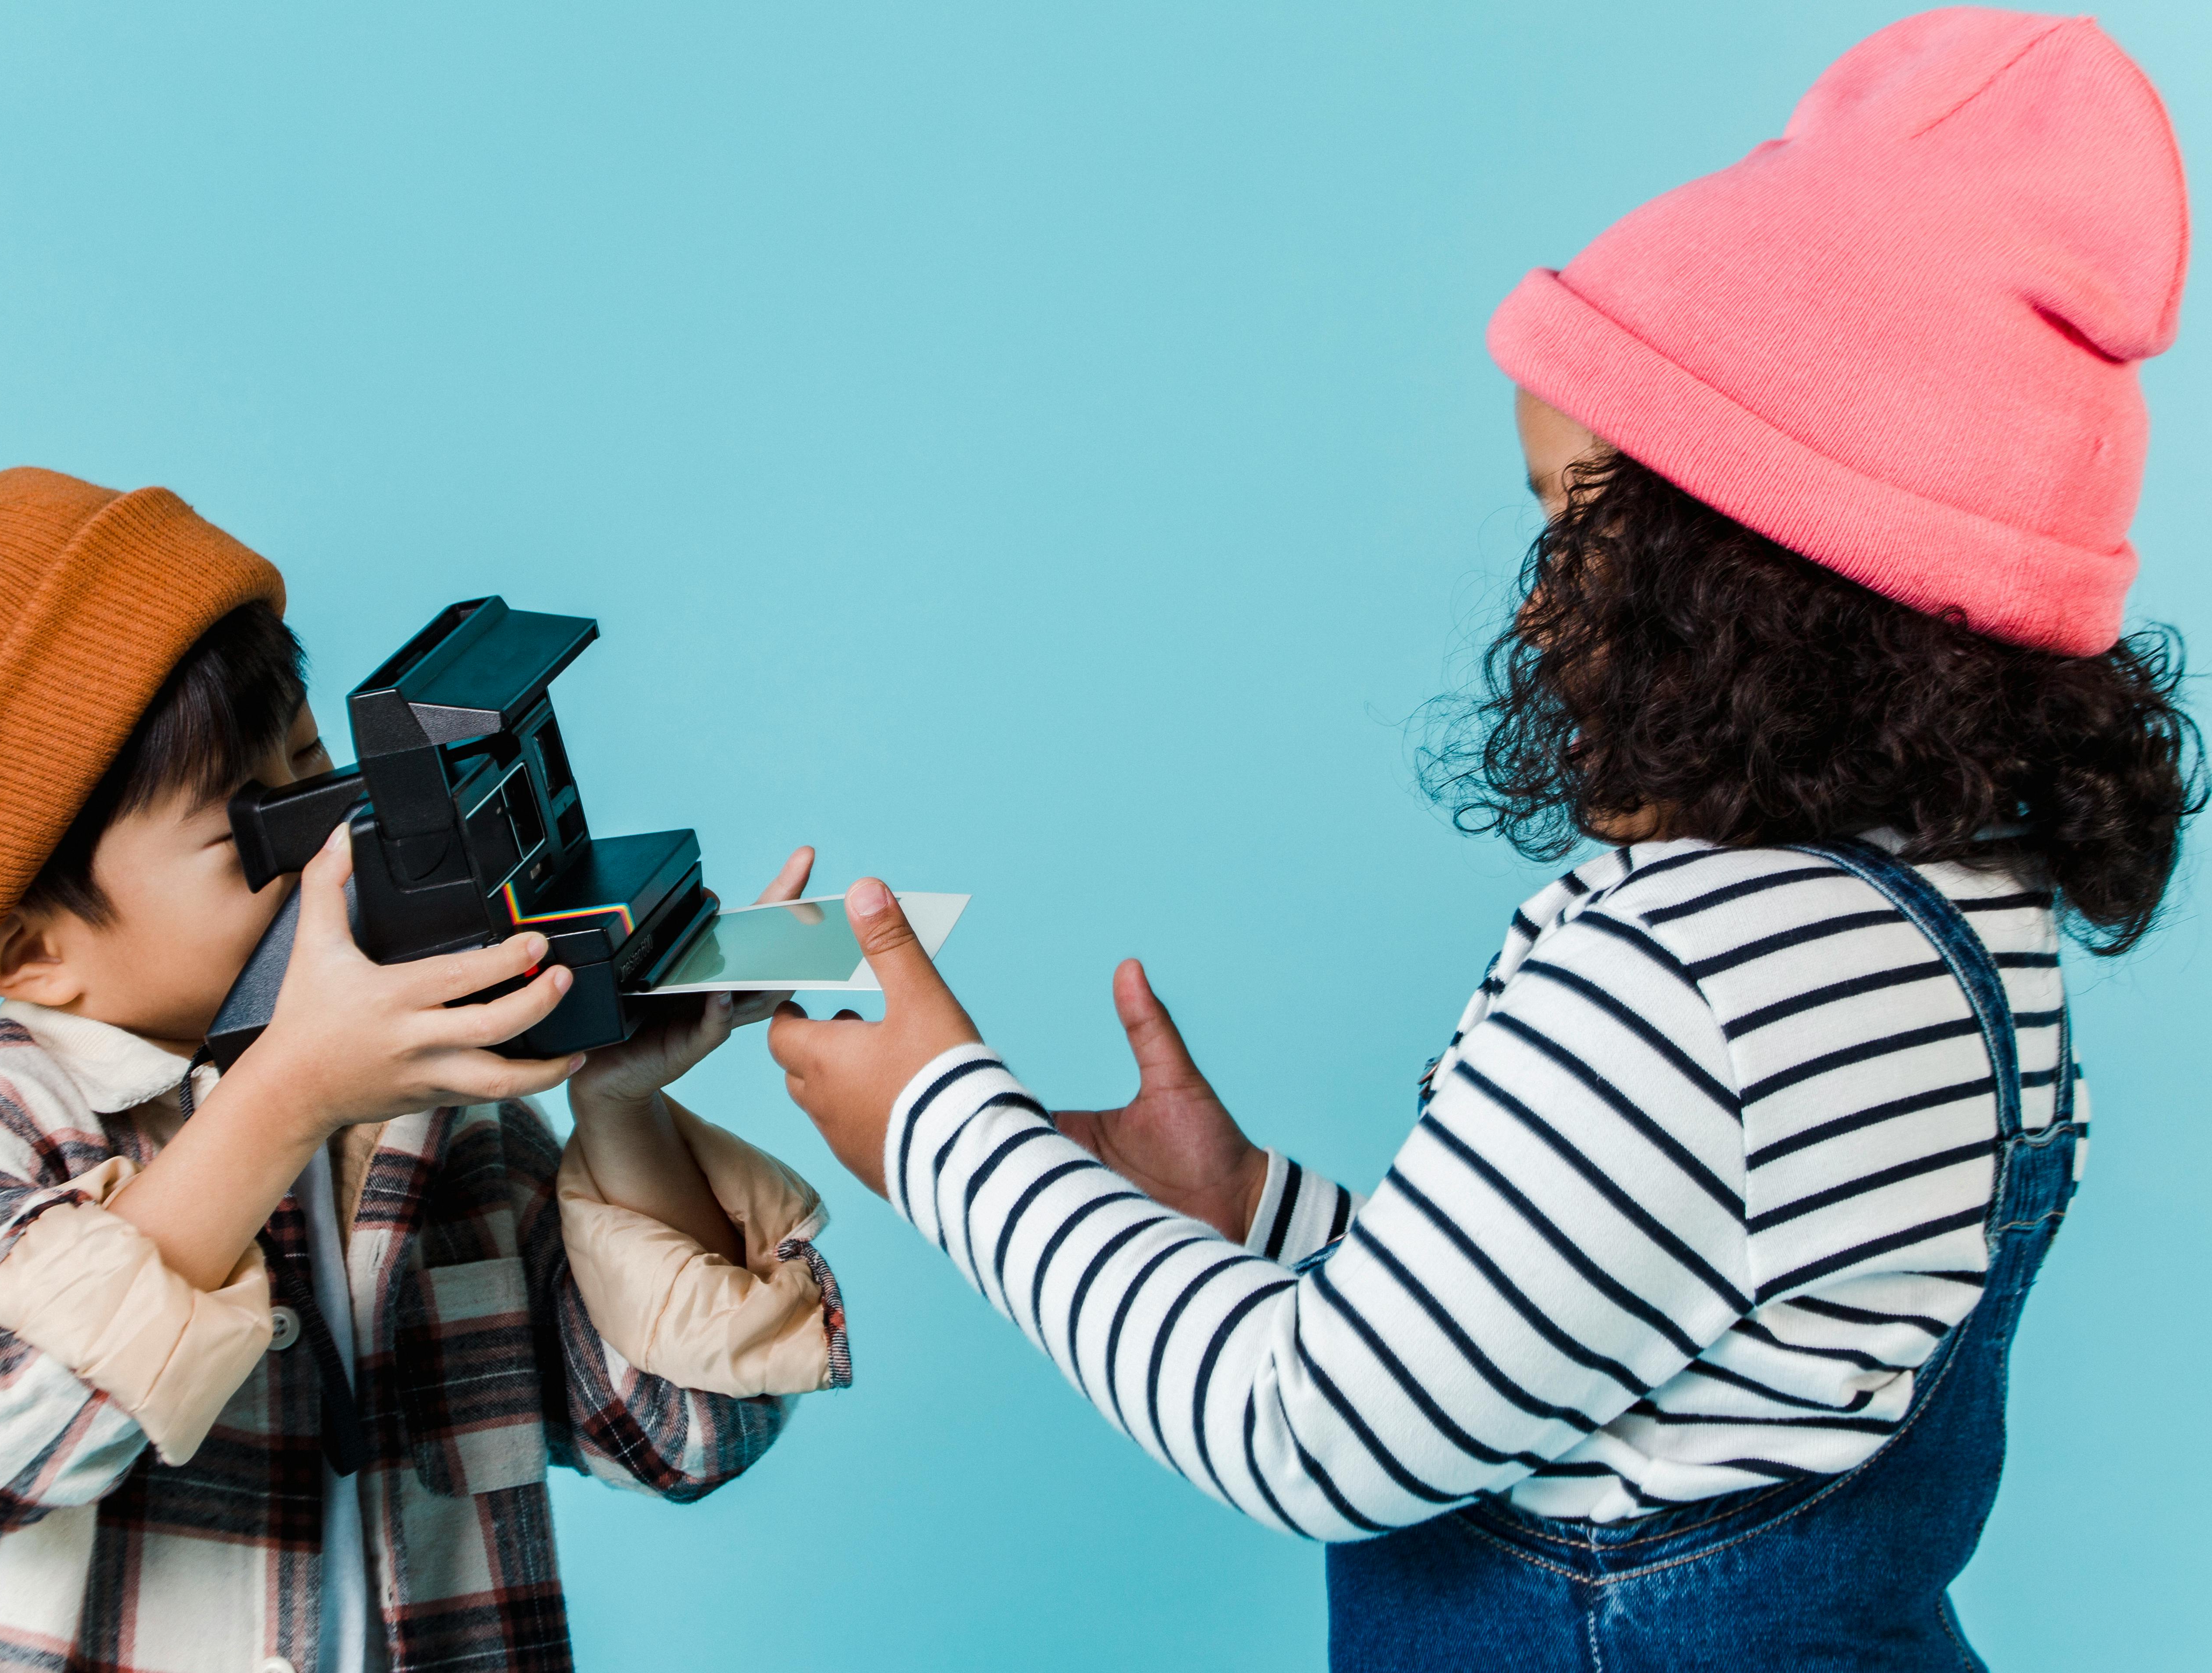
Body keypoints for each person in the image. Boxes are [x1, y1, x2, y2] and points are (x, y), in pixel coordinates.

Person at [766, 10, 2193, 1669]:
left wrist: (950, 1136)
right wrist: (1252, 1212)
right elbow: (1610, 1341)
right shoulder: (1952, 922)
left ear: (1742, 590)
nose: (1540, 602)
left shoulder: (1695, 972)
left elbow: (1309, 1430)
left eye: (1572, 531)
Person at [0, 467, 848, 1673]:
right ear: (39, 953)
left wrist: (622, 1108)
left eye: (316, 774)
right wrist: (288, 1093)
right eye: (252, 827)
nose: (333, 851)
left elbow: (684, 1436)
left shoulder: (435, 1118)